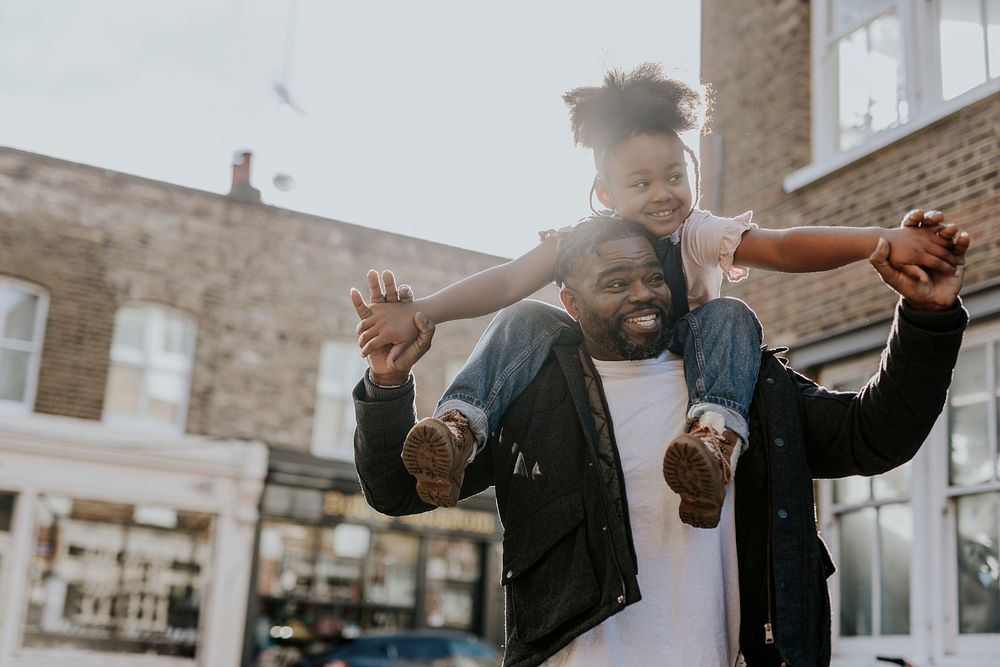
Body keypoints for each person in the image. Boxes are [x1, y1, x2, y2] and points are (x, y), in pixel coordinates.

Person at [353, 64, 964, 529]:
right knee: (521, 318)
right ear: (604, 193)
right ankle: (462, 427)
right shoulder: (574, 249)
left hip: (702, 357)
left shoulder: (697, 231)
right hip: (570, 368)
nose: (664, 194)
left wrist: (881, 242)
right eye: (640, 182)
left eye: (676, 175)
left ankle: (713, 440)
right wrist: (422, 311)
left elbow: (782, 247)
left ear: (694, 170)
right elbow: (508, 280)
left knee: (728, 315)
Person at [350, 215, 969, 666]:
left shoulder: (738, 384)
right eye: (615, 282)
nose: (643, 293)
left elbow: (872, 438)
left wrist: (927, 318)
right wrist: (387, 382)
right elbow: (398, 492)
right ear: (568, 299)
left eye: (651, 276)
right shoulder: (532, 392)